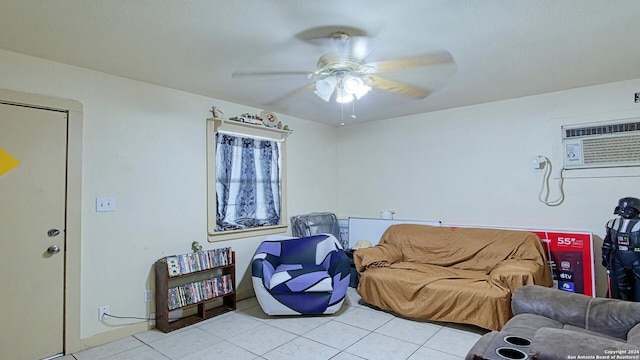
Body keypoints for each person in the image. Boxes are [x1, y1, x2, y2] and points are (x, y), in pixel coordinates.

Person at [602, 197, 640, 300]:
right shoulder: (613, 224)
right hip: (618, 258)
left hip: (637, 258)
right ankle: (622, 310)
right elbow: (607, 243)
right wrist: (605, 256)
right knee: (620, 287)